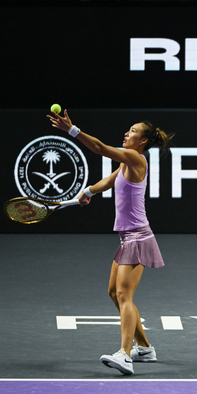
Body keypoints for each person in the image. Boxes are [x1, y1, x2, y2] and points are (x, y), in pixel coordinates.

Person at [47, 110, 173, 375]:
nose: (127, 134)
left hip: (138, 238)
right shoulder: (126, 162)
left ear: (143, 142)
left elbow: (99, 147)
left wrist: (72, 130)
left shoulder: (135, 157)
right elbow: (111, 180)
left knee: (125, 295)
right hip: (127, 237)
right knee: (113, 294)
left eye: (133, 131)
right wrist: (88, 192)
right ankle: (145, 348)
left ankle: (125, 355)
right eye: (128, 130)